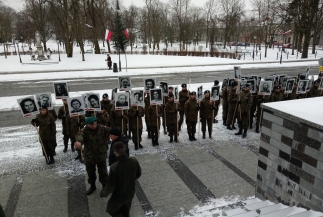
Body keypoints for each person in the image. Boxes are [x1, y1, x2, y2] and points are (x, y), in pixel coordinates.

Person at [100, 142, 141, 217]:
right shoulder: (134, 161)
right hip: (130, 192)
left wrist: (103, 193)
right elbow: (138, 174)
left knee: (111, 209)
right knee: (125, 211)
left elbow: (111, 186)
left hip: (119, 196)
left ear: (115, 152)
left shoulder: (114, 167)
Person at [74, 116, 109, 195]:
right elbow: (79, 135)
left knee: (103, 172)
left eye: (95, 124)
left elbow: (111, 131)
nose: (94, 126)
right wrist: (79, 141)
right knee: (90, 172)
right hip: (90, 156)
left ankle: (105, 186)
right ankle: (92, 186)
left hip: (101, 155)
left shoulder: (102, 128)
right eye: (91, 125)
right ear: (87, 125)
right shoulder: (84, 130)